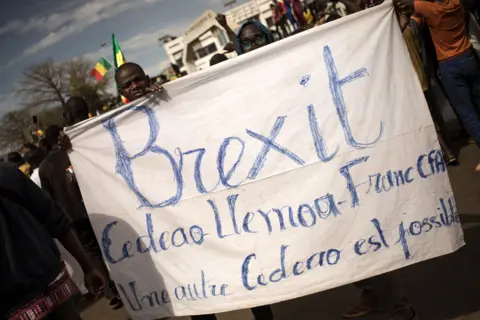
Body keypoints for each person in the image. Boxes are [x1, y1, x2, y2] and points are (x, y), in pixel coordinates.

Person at [0, 162, 106, 320]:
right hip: (51, 286)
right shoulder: (6, 173)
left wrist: (89, 267)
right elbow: (56, 219)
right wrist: (87, 266)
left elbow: (55, 219)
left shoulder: (6, 174)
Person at [40, 122, 123, 309]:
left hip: (72, 218)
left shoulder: (45, 167)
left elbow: (50, 200)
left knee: (92, 251)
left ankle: (111, 291)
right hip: (93, 208)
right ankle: (126, 284)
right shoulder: (74, 152)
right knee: (111, 245)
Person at [395, 0, 480, 167]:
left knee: (467, 113)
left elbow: (403, 4)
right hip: (469, 57)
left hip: (450, 65)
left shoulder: (428, 8)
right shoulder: (456, 3)